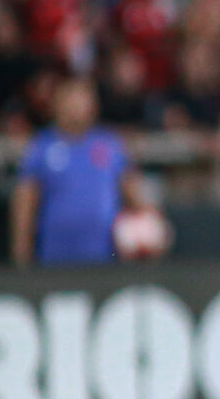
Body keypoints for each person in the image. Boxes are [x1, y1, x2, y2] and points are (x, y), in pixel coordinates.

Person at [11, 76, 146, 267]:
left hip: (104, 256)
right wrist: (21, 252)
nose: (79, 105)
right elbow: (25, 201)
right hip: (55, 256)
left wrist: (148, 227)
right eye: (72, 98)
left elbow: (134, 194)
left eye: (86, 98)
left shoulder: (110, 144)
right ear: (58, 104)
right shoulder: (41, 147)